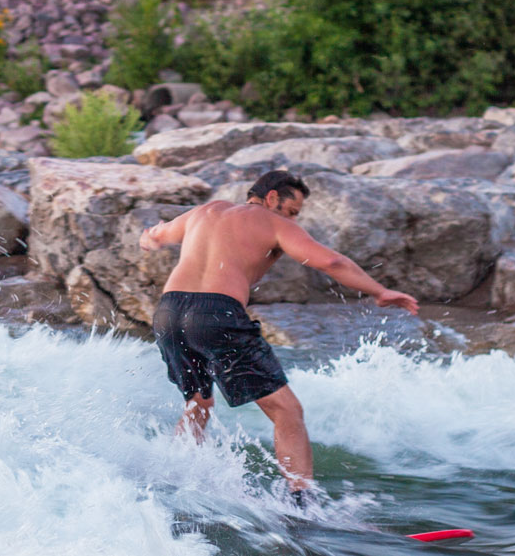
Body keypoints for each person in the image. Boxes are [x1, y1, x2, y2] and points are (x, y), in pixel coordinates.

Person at [138, 169, 419, 502]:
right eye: (292, 211)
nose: (293, 219)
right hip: (216, 314)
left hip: (168, 313)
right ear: (272, 198)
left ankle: (174, 482)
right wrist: (379, 291)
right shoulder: (272, 222)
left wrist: (151, 237)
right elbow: (330, 261)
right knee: (287, 411)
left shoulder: (205, 211)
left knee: (198, 402)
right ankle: (303, 502)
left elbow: (155, 237)